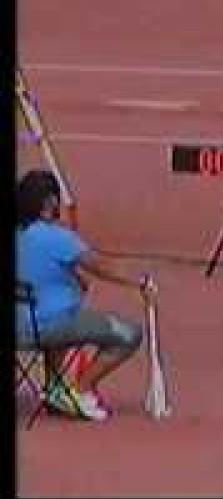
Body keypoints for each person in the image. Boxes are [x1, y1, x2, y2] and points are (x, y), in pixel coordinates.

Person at [16, 169, 156, 422]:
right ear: (49, 202)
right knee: (128, 333)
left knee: (64, 323)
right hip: (46, 325)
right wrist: (139, 282)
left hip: (22, 324)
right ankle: (78, 390)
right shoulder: (57, 238)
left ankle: (54, 388)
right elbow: (99, 266)